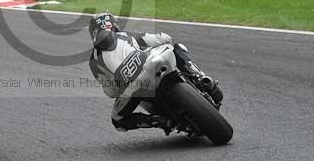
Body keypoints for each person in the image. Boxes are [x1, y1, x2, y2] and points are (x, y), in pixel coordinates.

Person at [87, 13, 223, 133]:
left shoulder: (93, 62)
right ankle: (200, 77)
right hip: (154, 63)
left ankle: (158, 121)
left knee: (118, 120)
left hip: (135, 88)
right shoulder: (125, 35)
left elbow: (111, 92)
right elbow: (164, 39)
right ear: (113, 25)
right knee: (177, 47)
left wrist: (123, 83)